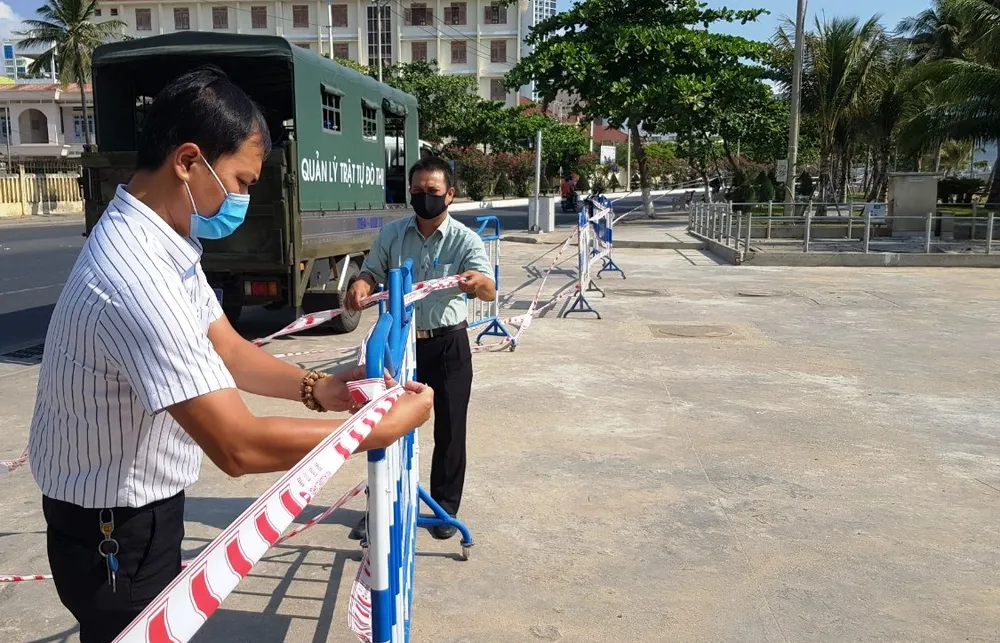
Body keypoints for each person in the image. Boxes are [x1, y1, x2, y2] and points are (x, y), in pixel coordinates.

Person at [27, 66, 433, 643]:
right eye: (240, 181)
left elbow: (230, 350)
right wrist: (376, 430)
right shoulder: (135, 274)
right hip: (111, 532)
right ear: (189, 161)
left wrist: (320, 388)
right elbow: (236, 445)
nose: (243, 198)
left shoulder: (164, 240)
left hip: (134, 511)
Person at [344, 156, 496, 540]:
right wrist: (361, 285)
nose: (424, 198)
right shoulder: (393, 235)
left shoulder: (466, 240)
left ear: (450, 194)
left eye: (432, 192)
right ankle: (380, 507)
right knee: (387, 429)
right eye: (417, 191)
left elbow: (491, 290)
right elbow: (371, 271)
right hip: (400, 349)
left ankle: (444, 509)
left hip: (447, 345)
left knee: (449, 429)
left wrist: (476, 282)